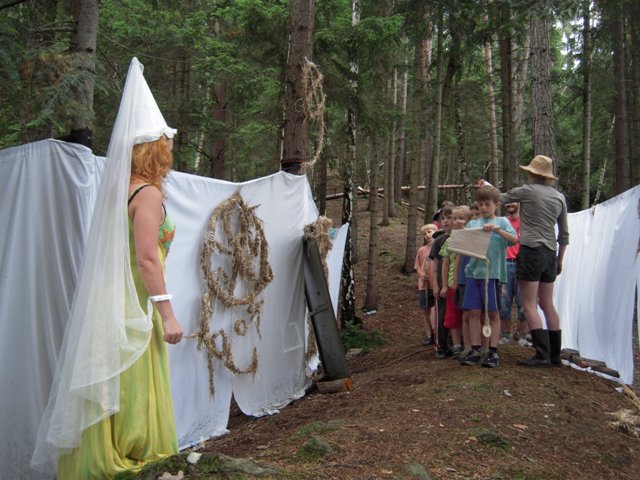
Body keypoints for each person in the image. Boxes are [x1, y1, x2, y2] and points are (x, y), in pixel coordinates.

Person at [32, 58, 183, 479]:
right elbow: (147, 258)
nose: (170, 152)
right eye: (166, 145)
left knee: (111, 382)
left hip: (109, 305)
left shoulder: (119, 190)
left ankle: (99, 458)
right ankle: (132, 455)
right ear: (155, 149)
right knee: (131, 382)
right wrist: (167, 313)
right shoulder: (147, 194)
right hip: (133, 307)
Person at [500, 155, 569, 367]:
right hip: (550, 252)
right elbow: (564, 233)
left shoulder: (526, 191)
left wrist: (486, 187)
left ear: (531, 173)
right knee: (547, 303)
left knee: (529, 304)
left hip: (531, 250)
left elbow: (499, 198)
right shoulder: (559, 197)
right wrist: (560, 259)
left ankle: (541, 354)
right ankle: (554, 355)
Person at [459, 186, 517, 368]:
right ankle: (475, 349)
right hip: (473, 274)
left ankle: (492, 350)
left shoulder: (502, 222)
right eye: (480, 204)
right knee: (474, 312)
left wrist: (497, 230)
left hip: (492, 275)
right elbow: (463, 246)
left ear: (496, 205)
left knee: (492, 312)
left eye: (487, 204)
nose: (483, 208)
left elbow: (514, 240)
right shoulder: (473, 223)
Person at [439, 206, 472, 358]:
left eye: (462, 219)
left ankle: (469, 344)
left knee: (468, 314)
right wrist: (445, 285)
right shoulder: (449, 241)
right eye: (455, 218)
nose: (458, 222)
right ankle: (457, 345)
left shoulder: (473, 238)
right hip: (453, 283)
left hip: (469, 281)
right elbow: (445, 264)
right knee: (453, 314)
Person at [498, 202, 531, 347]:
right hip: (504, 263)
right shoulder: (501, 222)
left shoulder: (527, 221)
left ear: (519, 203)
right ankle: (505, 336)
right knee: (504, 303)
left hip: (522, 264)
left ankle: (523, 336)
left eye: (513, 201)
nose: (509, 204)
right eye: (507, 202)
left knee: (523, 303)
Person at [429, 205, 454, 359]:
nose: (445, 221)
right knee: (442, 315)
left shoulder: (463, 238)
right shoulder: (439, 241)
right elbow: (435, 266)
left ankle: (459, 345)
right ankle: (441, 346)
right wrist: (436, 286)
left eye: (449, 218)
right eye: (443, 218)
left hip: (458, 284)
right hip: (441, 285)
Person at [415, 224, 438, 346]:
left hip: (436, 284)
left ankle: (437, 332)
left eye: (429, 232)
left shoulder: (439, 248)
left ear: (435, 232)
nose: (427, 235)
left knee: (435, 309)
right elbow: (417, 266)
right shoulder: (421, 250)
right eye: (424, 234)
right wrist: (421, 273)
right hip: (424, 285)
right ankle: (429, 335)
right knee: (426, 310)